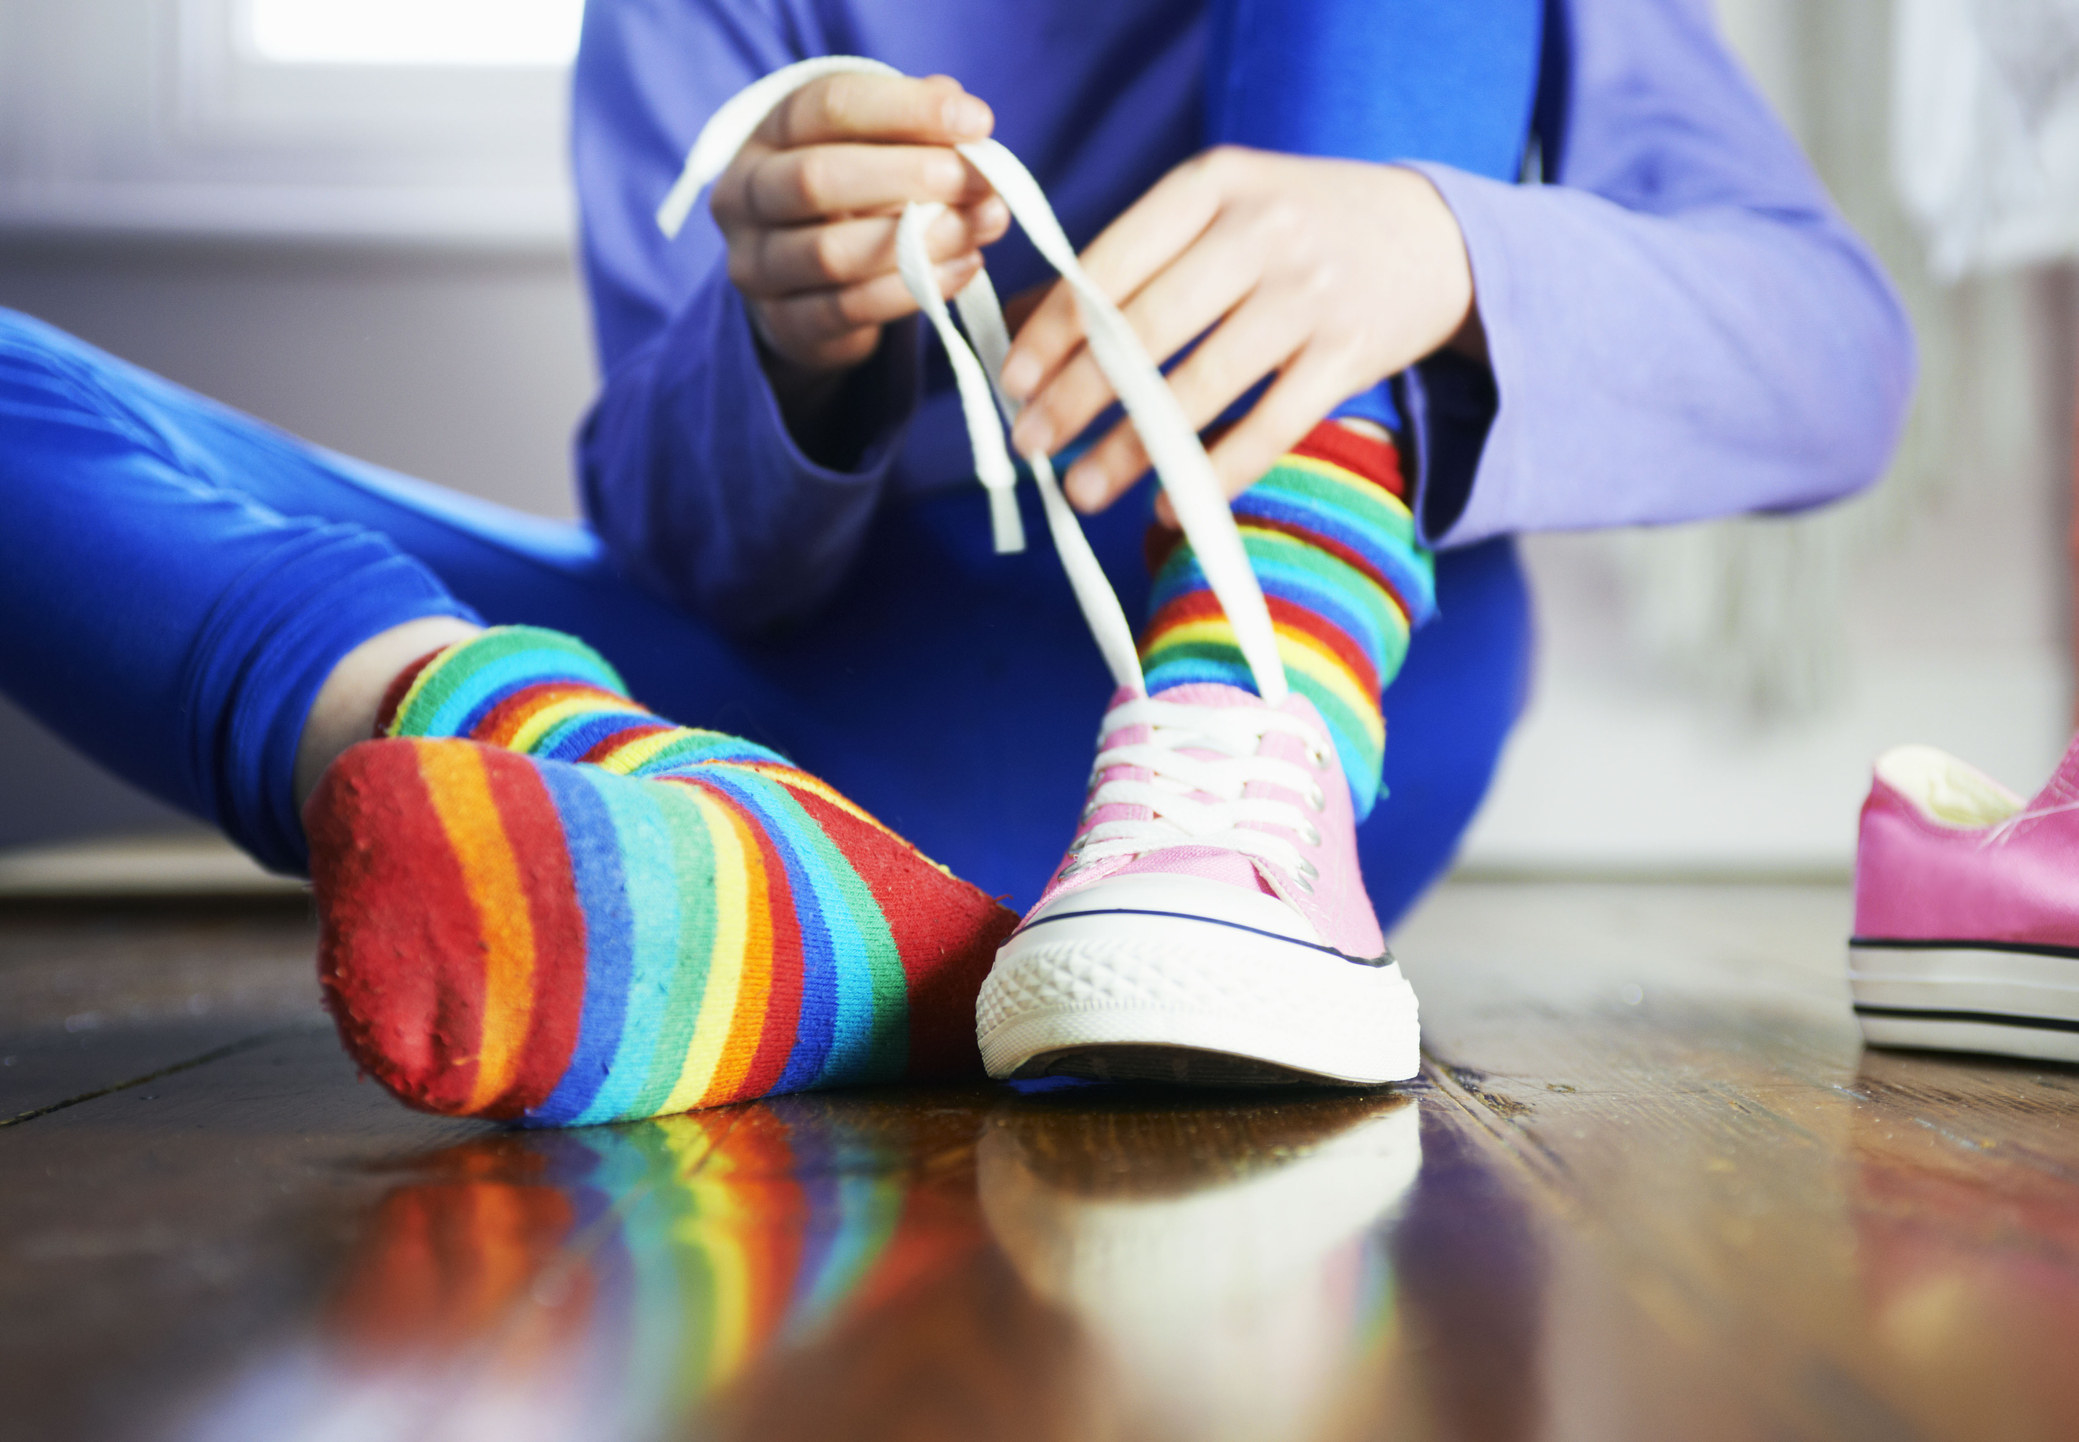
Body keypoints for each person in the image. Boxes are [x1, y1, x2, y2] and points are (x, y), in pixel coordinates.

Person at [0, 0, 1913, 1121]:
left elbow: (1842, 354)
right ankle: (667, 830)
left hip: (1286, 726)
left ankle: (1235, 694)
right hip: (783, 703)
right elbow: (673, 543)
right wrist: (787, 340)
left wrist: (1441, 248)